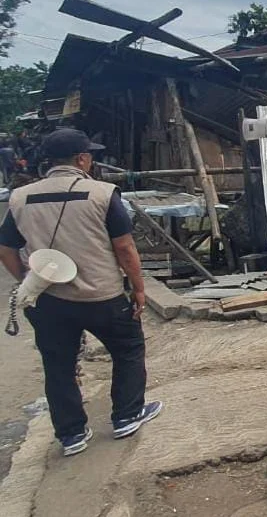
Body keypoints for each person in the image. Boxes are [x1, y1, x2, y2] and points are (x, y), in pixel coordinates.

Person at [0, 129, 162, 457]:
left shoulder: (20, 197)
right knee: (128, 348)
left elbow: (6, 248)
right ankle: (127, 415)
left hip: (47, 300)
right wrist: (139, 287)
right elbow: (125, 248)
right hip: (101, 295)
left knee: (58, 363)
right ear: (82, 159)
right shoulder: (102, 193)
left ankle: (72, 434)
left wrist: (30, 279)